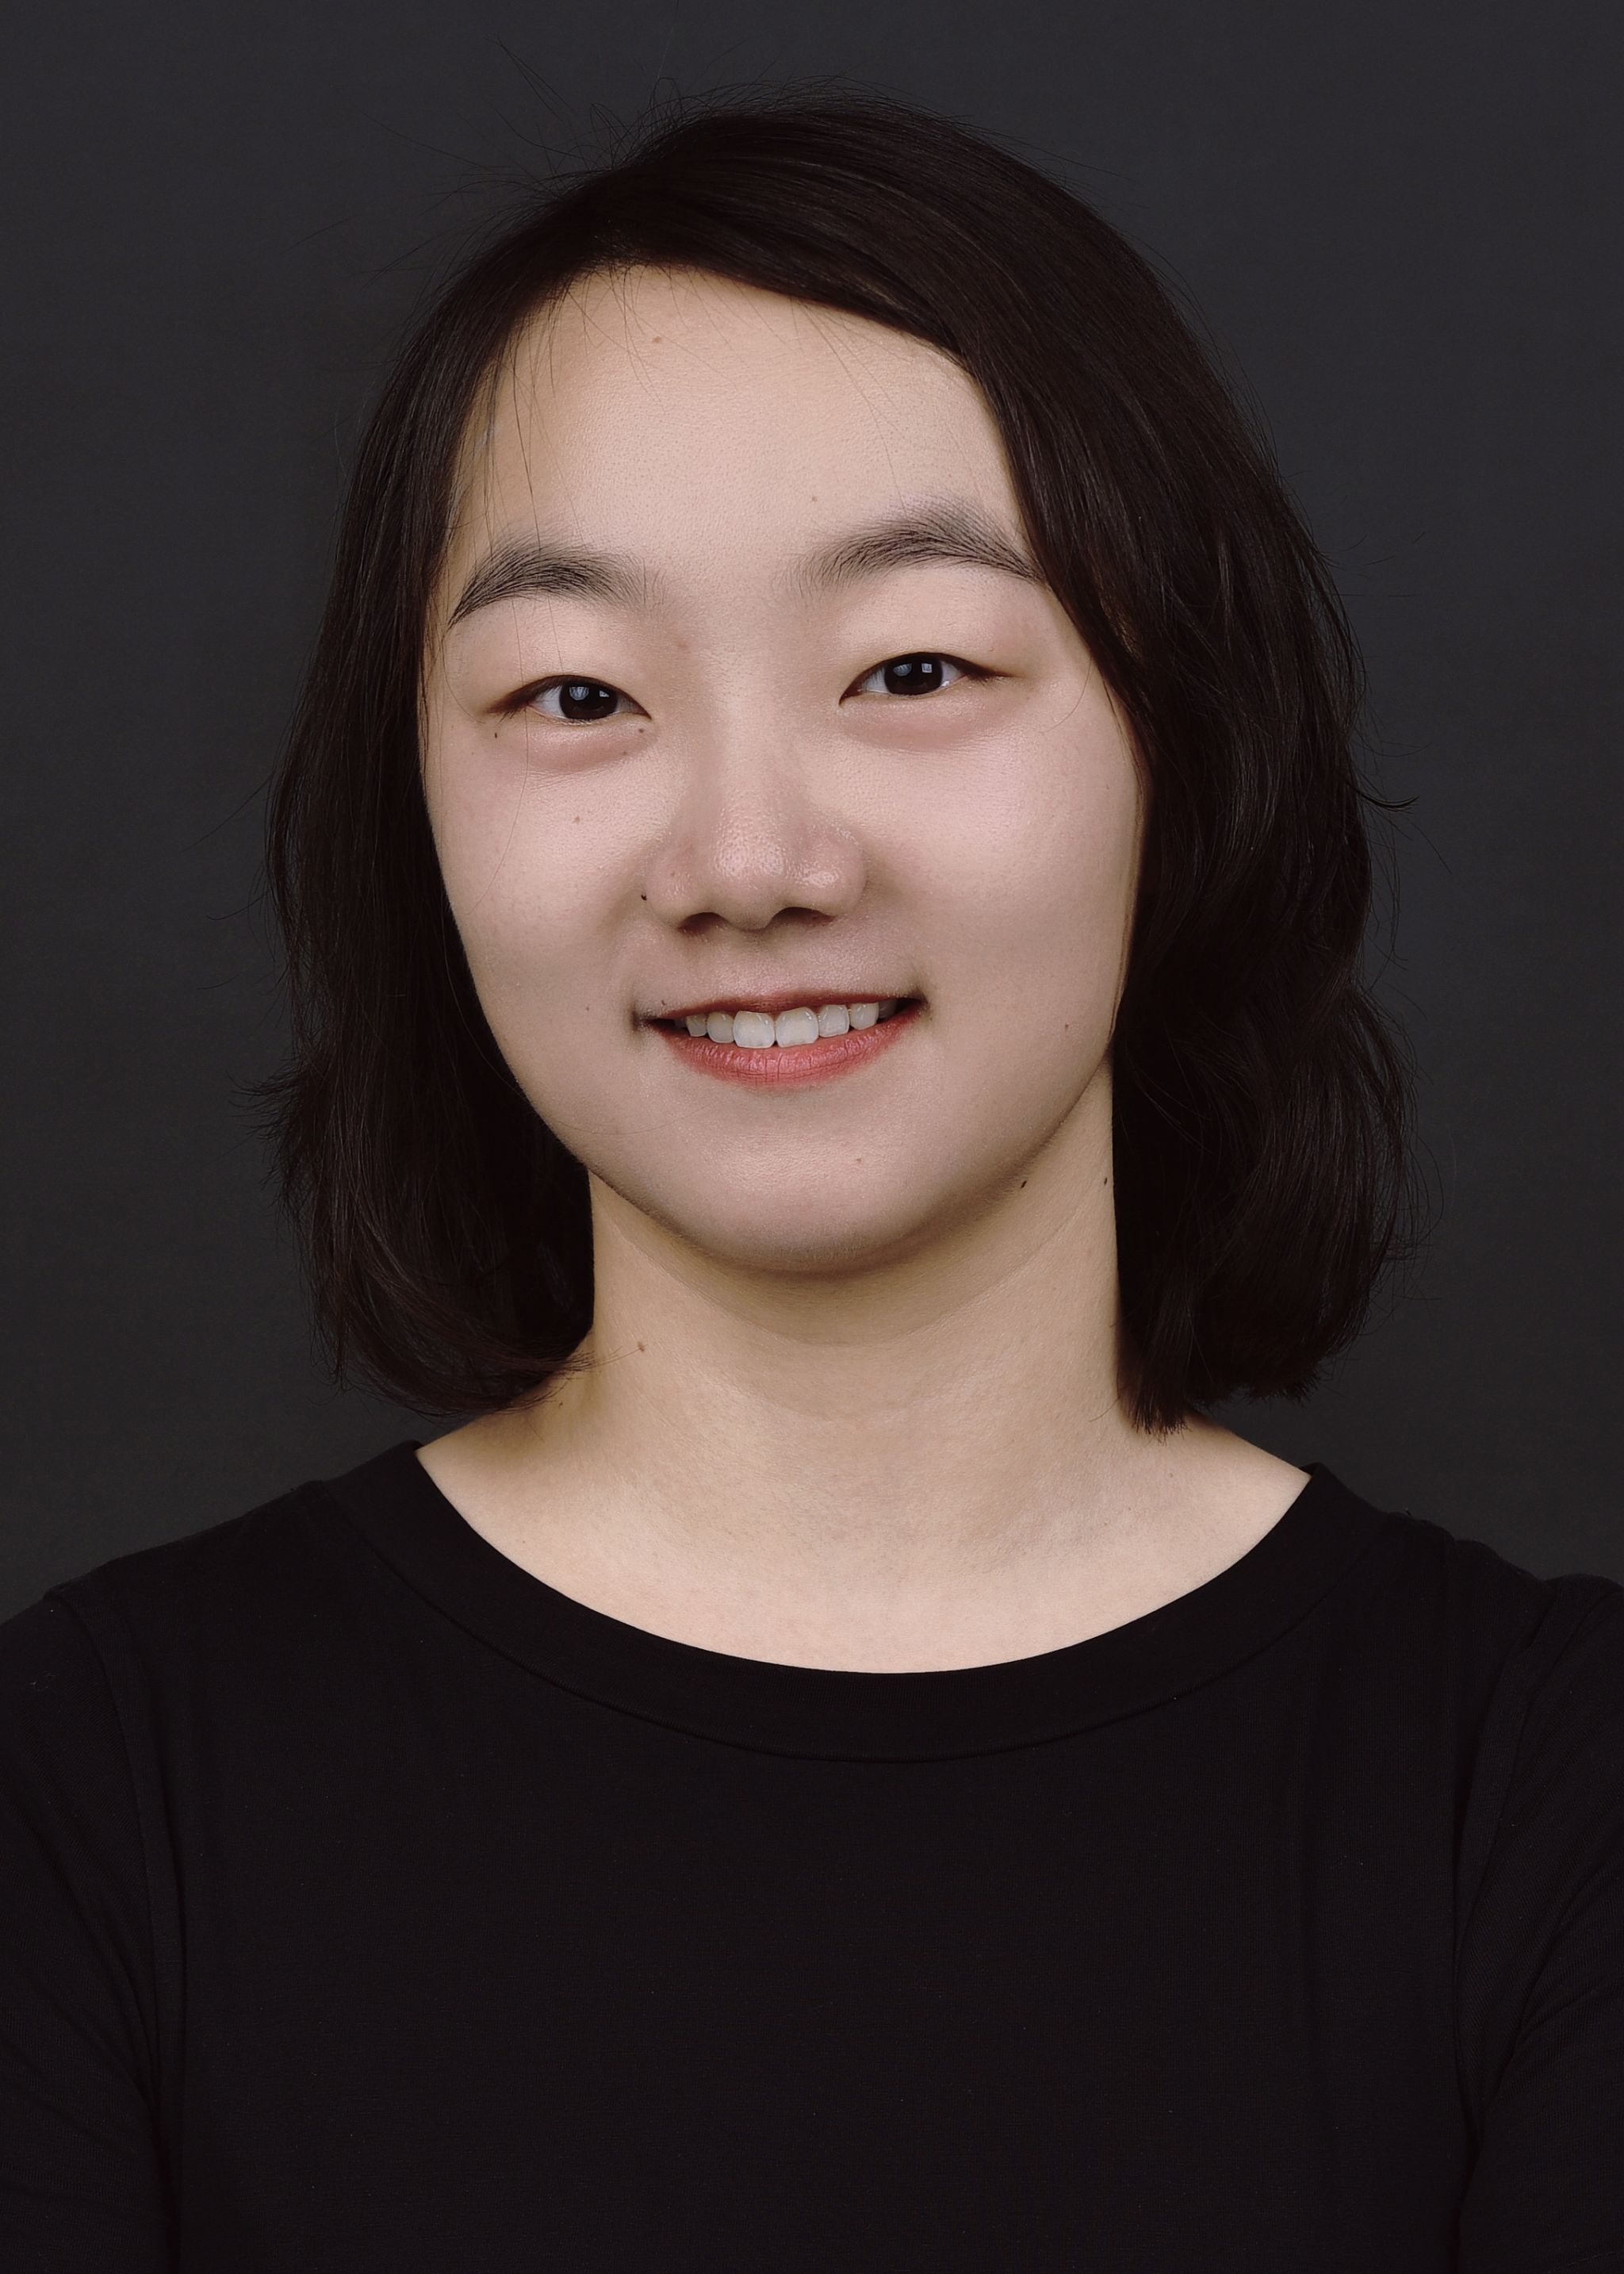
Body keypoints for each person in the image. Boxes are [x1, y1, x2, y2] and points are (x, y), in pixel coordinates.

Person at [2, 86, 1619, 2272]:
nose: (749, 859)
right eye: (576, 694)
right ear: (422, 822)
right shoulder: (86, 1787)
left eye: (916, 668)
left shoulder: (1549, 1794)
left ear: (1187, 748)